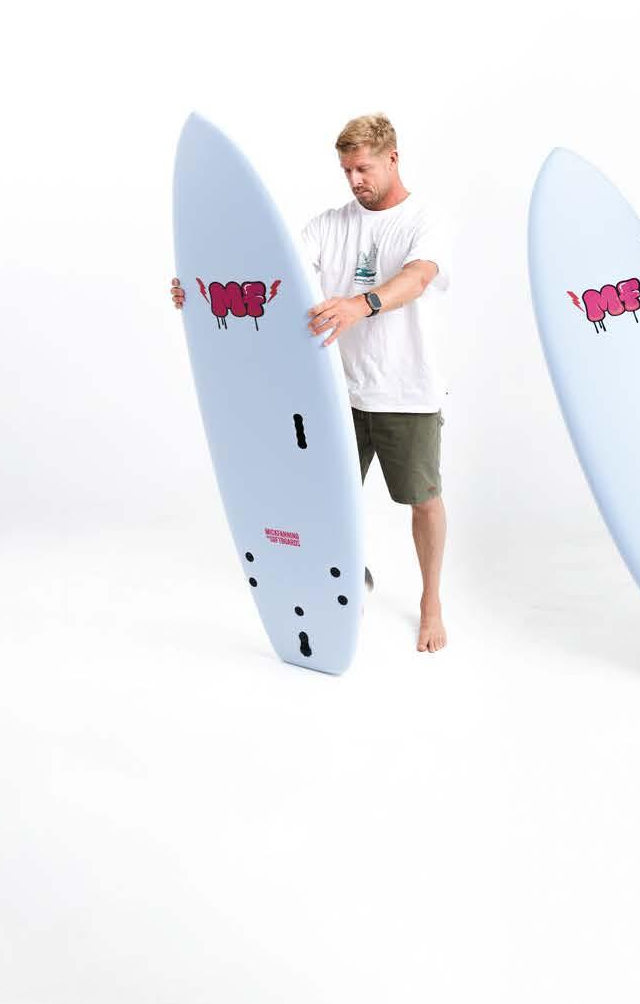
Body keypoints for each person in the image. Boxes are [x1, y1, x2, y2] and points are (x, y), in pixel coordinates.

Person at [172, 113, 453, 653]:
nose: (354, 180)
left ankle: (431, 602)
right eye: (346, 171)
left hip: (406, 390)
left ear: (392, 158)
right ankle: (349, 579)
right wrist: (204, 290)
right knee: (323, 504)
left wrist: (360, 304)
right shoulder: (329, 225)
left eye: (363, 169)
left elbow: (418, 277)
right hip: (334, 396)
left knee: (423, 500)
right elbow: (271, 274)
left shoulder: (425, 219)